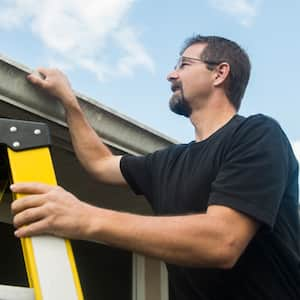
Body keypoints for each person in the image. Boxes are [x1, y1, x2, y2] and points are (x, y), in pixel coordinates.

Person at [10, 35, 300, 299]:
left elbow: (222, 241)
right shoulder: (167, 161)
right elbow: (99, 163)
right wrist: (68, 101)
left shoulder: (258, 135)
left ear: (219, 73)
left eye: (184, 64)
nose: (171, 74)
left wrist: (85, 219)